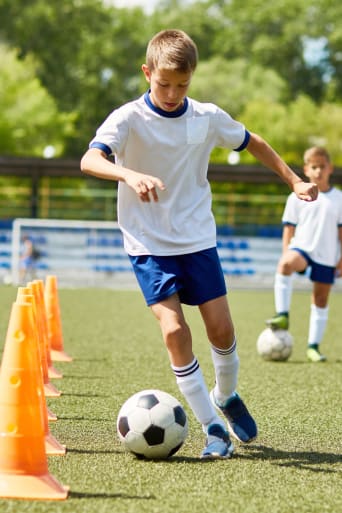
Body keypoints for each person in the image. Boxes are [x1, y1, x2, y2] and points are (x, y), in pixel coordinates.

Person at [80, 29, 318, 459]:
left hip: (196, 240)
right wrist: (128, 174)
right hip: (148, 242)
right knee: (174, 330)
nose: (172, 93)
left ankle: (226, 397)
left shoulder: (206, 117)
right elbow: (90, 158)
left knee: (222, 329)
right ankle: (212, 427)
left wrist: (294, 179)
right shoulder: (128, 118)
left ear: (192, 78)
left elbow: (254, 142)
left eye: (182, 84)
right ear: (147, 72)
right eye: (163, 83)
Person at [266, 146, 342, 362]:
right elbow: (288, 228)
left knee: (320, 299)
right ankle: (283, 315)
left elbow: (341, 232)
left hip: (327, 254)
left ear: (330, 169)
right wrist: (285, 252)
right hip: (302, 248)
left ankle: (313, 347)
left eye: (322, 166)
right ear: (306, 169)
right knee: (285, 265)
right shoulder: (296, 196)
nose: (318, 171)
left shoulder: (338, 198)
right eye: (314, 167)